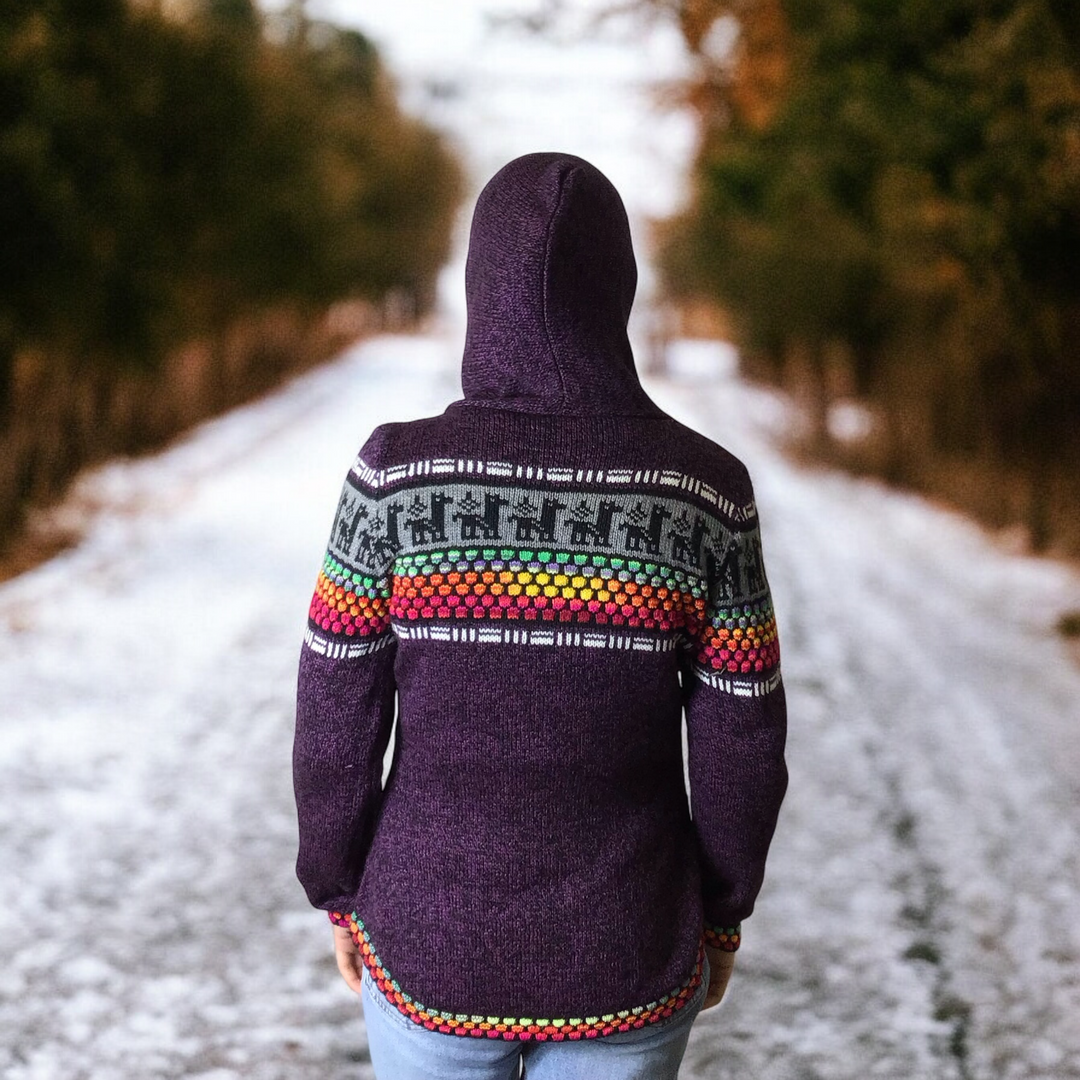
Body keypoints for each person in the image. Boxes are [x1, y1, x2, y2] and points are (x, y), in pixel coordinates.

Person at [293, 151, 789, 1080]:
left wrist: (340, 888)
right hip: (631, 942)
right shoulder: (704, 492)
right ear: (620, 291)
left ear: (483, 287)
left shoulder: (394, 476)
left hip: (428, 937)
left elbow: (333, 716)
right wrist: (720, 914)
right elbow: (743, 739)